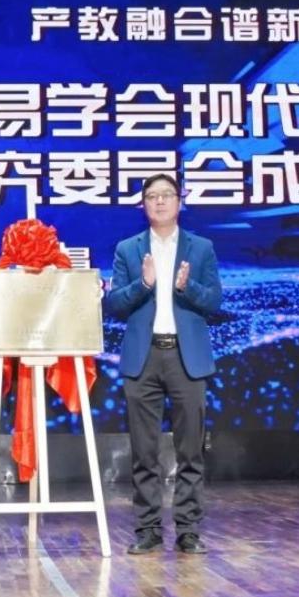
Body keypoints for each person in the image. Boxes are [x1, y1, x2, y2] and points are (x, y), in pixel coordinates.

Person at [105, 173, 223, 555]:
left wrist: (188, 287)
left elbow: (214, 302)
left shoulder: (201, 248)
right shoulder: (128, 249)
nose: (159, 202)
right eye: (152, 196)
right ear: (143, 205)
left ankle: (188, 530)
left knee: (191, 451)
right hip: (144, 358)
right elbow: (115, 305)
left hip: (187, 359)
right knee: (145, 452)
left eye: (166, 195)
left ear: (179, 201)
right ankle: (148, 530)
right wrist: (144, 284)